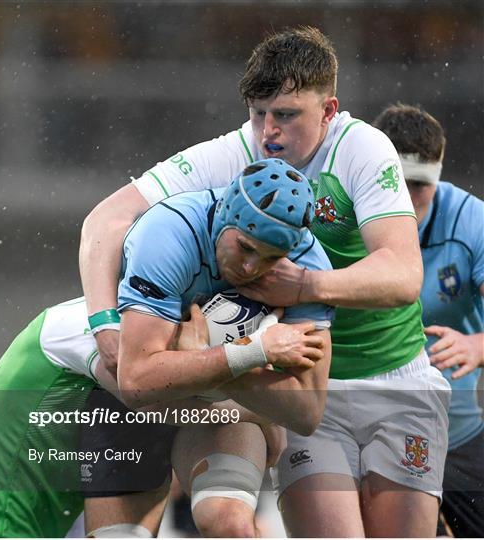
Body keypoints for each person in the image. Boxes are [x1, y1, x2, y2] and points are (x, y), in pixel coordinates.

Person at [80, 26, 450, 537]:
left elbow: (404, 275)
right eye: (258, 114)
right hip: (304, 383)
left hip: (396, 377)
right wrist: (104, 324)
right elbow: (106, 220)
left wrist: (304, 288)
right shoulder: (237, 154)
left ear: (328, 110)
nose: (268, 132)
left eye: (286, 114)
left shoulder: (363, 149)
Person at [0, 158, 332, 538]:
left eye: (271, 259)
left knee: (231, 527)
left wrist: (223, 367)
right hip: (87, 415)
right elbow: (141, 387)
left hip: (172, 404)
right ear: (223, 219)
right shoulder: (165, 240)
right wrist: (254, 362)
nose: (252, 268)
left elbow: (306, 413)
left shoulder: (306, 267)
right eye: (246, 247)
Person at [373, 103, 484, 538]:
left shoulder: (470, 219)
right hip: (372, 437)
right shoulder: (340, 218)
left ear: (438, 179)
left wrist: (477, 345)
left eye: (419, 185)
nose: (406, 196)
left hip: (459, 432)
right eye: (395, 182)